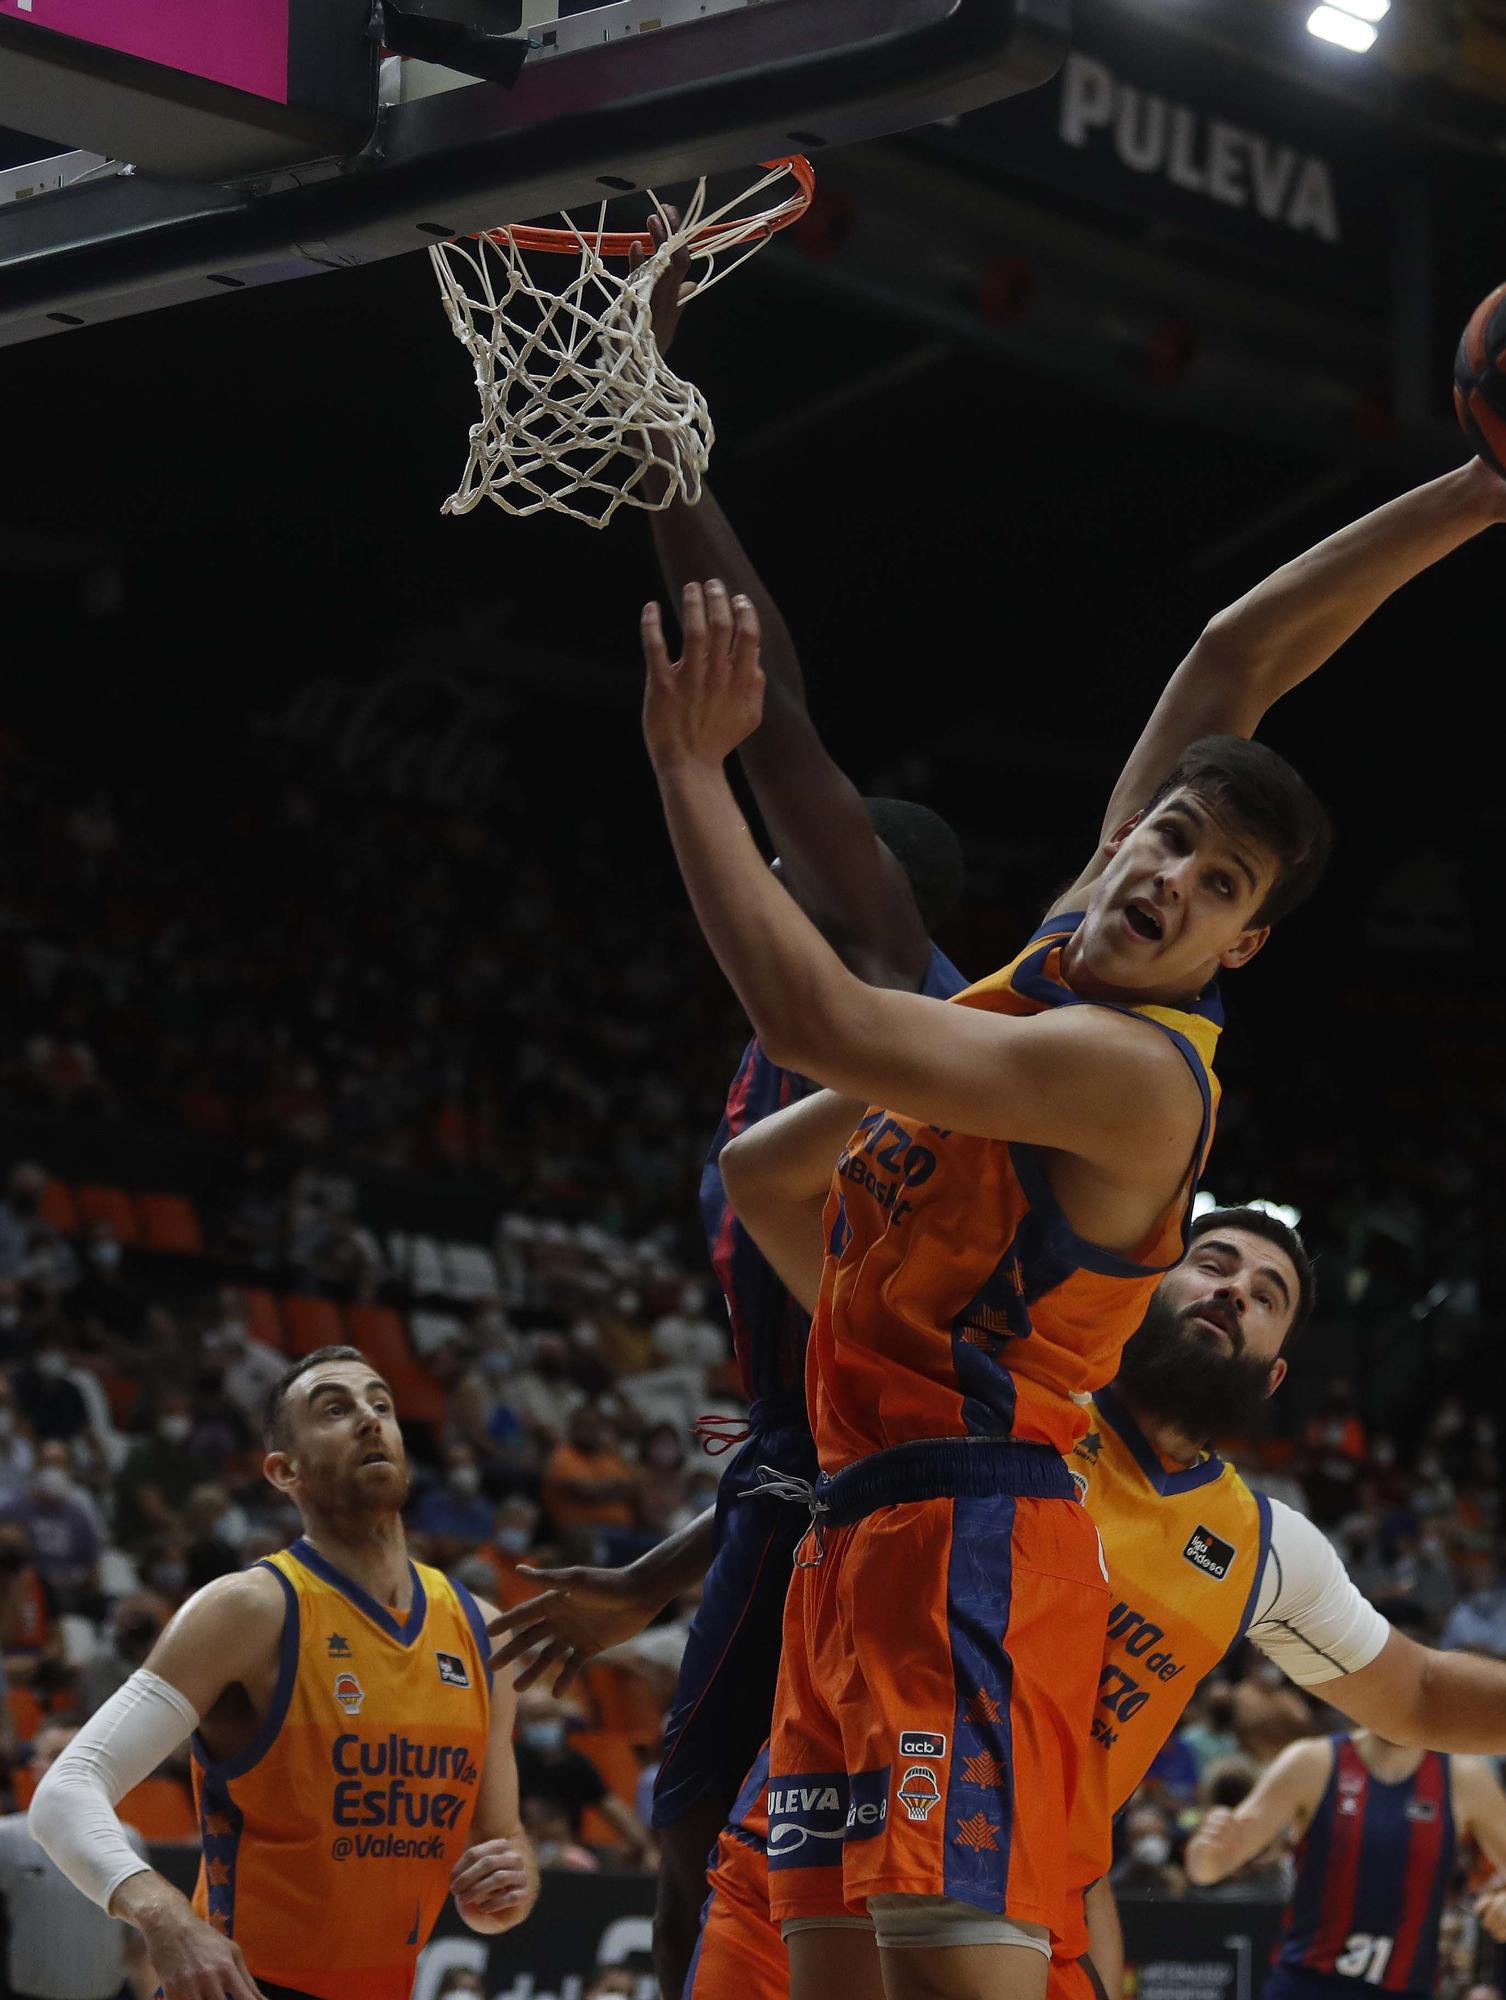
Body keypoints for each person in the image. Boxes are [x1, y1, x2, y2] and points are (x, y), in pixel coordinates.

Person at [641, 428, 1506, 1996]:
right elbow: (1233, 655)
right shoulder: (1058, 953)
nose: (1173, 873)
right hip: (854, 1528)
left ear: (1234, 948)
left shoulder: (1135, 1075)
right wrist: (1469, 497)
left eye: (1223, 884)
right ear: (1122, 837)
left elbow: (818, 1019)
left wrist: (688, 771)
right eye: (1169, 836)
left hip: (971, 1533)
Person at [496, 1205, 1506, 2000]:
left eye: (1267, 1291)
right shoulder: (1015, 1404)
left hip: (1028, 1894)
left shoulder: (1262, 1543)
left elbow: (1406, 1685)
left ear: (1276, 1367)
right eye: (1212, 1261)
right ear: (1141, 1283)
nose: (1235, 1288)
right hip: (831, 1832)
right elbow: (811, 1472)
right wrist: (651, 1585)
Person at [608, 212, 970, 2000]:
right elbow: (771, 1408)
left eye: (798, 856)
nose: (765, 861)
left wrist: (663, 421)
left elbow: (778, 720)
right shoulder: (778, 1038)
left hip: (886, 1482)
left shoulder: (897, 987)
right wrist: (644, 1572)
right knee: (706, 1826)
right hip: (791, 1468)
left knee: (745, 1836)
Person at [29, 1344, 538, 2000]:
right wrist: (168, 1919)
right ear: (282, 1470)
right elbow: (66, 1789)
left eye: (381, 1404)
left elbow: (504, 1843)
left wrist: (512, 1881)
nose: (368, 1418)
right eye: (335, 1408)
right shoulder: (249, 1609)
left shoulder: (480, 1630)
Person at [1185, 1730, 1506, 1998]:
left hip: (1406, 1987)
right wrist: (1207, 1843)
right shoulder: (1312, 1762)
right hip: (1308, 1983)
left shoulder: (1463, 1778)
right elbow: (1207, 1869)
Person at [0, 1721, 156, 2000]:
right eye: (58, 1754)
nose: (70, 1766)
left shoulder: (128, 1839)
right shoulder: (6, 1838)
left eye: (80, 1754)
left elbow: (138, 1946)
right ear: (35, 1769)